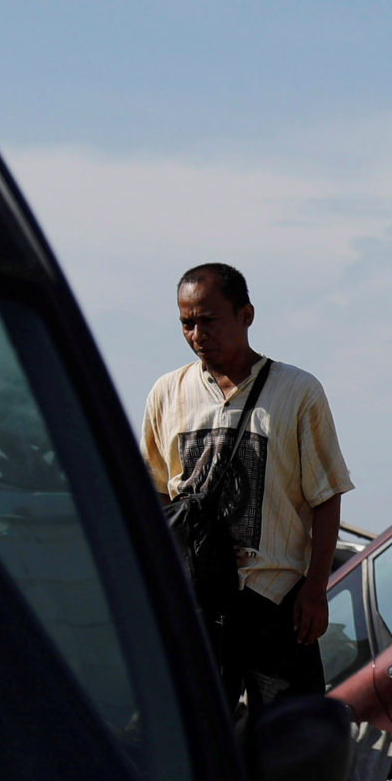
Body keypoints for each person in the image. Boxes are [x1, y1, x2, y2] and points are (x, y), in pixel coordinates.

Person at [139, 263, 351, 717]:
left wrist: (315, 591)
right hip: (197, 601)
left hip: (276, 598)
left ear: (246, 315)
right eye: (186, 323)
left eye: (208, 321)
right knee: (201, 735)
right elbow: (156, 495)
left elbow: (326, 495)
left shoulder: (297, 392)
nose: (198, 334)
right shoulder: (166, 394)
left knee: (292, 743)